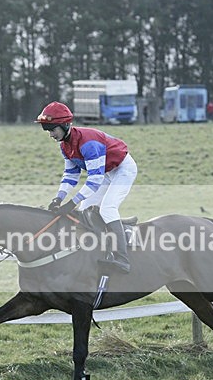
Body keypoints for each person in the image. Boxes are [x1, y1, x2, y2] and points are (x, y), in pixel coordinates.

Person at [35, 101, 138, 274]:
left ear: (65, 125)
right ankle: (104, 248)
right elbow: (71, 176)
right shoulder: (65, 146)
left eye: (53, 129)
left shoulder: (88, 143)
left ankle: (122, 259)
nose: (51, 134)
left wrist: (71, 203)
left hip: (122, 169)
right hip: (106, 172)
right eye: (48, 130)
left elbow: (94, 180)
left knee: (107, 209)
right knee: (85, 211)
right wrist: (58, 198)